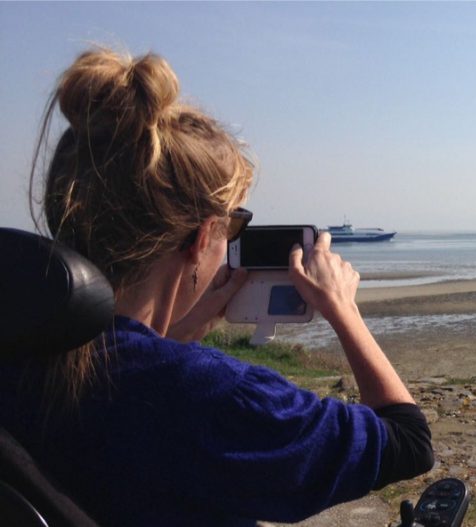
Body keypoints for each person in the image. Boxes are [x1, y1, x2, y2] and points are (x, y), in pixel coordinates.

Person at [0, 48, 432, 526]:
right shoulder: (214, 399)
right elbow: (408, 442)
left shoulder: (22, 360)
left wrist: (172, 337)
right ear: (204, 236)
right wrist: (342, 309)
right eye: (234, 227)